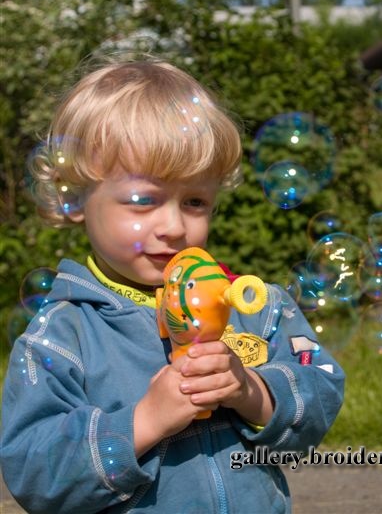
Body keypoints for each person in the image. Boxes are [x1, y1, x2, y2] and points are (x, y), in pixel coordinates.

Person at [1, 58, 345, 514]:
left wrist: (252, 391)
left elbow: (322, 386)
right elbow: (33, 471)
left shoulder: (257, 309)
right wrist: (142, 423)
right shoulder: (63, 336)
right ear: (73, 199)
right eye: (144, 200)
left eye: (195, 201)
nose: (175, 226)